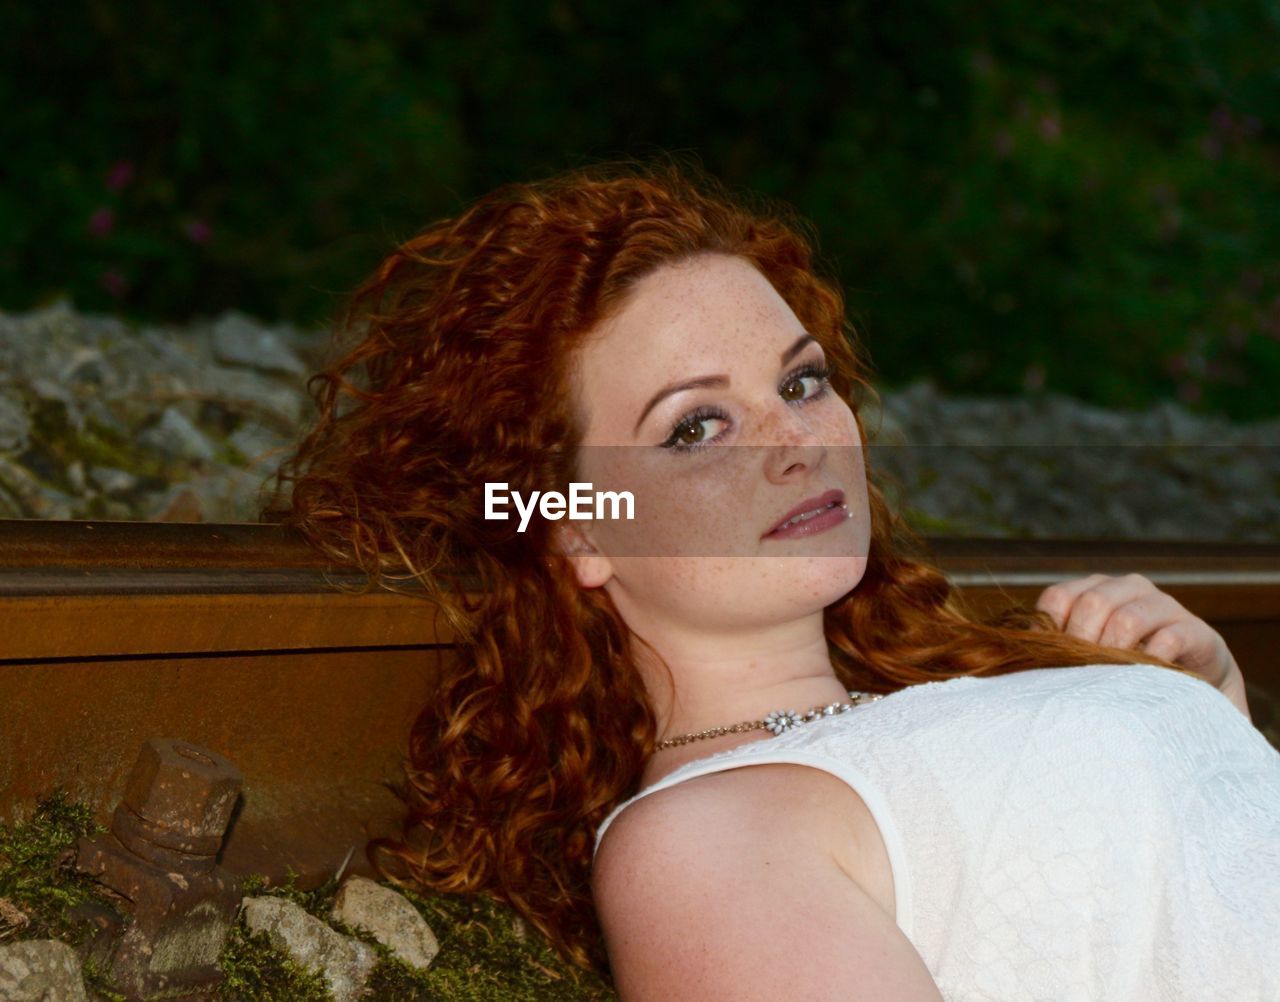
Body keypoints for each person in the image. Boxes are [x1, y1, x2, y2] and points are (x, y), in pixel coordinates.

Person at [262, 156, 1279, 1000]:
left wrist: (1207, 708)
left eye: (799, 381)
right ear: (580, 529)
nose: (794, 442)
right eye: (696, 426)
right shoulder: (695, 849)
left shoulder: (922, 705)